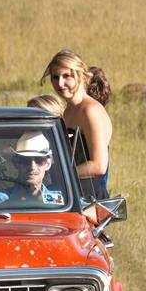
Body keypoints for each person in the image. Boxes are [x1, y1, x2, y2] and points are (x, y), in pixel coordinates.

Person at [43, 49, 112, 199]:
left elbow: (99, 166)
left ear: (80, 74)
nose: (60, 83)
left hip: (90, 196)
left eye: (66, 76)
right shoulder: (68, 111)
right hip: (70, 192)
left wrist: (64, 174)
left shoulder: (90, 110)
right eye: (55, 77)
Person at [0, 132, 65, 206]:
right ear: (16, 164)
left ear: (48, 164)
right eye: (25, 160)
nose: (32, 167)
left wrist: (46, 202)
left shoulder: (63, 199)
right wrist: (15, 200)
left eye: (39, 160)